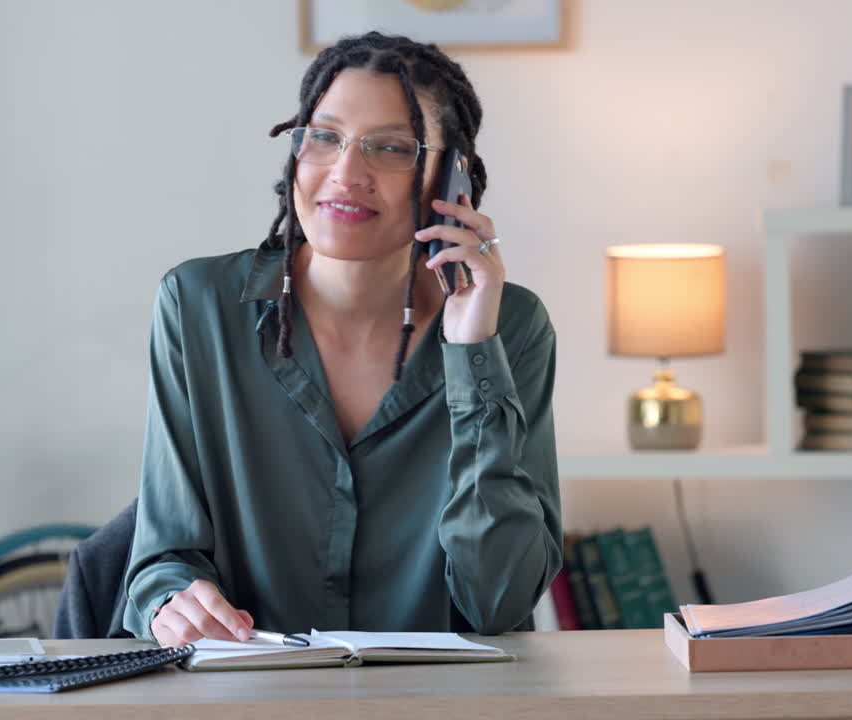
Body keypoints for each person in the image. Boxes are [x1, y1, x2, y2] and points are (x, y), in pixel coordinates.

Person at [123, 31, 560, 647]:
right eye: (324, 138)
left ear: (452, 174)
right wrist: (172, 603)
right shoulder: (197, 308)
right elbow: (160, 558)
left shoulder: (510, 327)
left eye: (389, 148)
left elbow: (498, 602)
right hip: (251, 699)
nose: (346, 173)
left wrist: (472, 354)